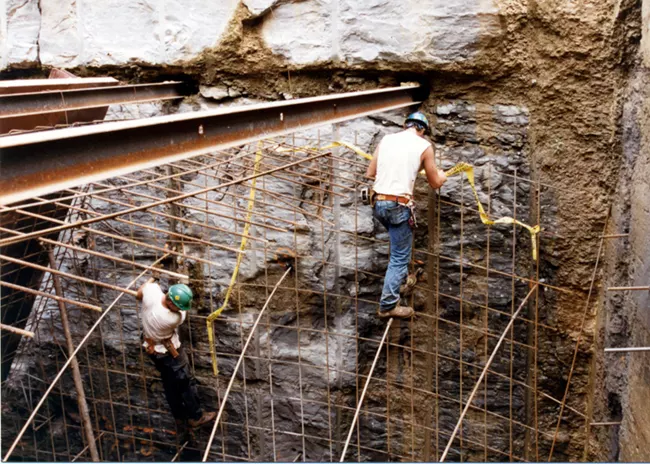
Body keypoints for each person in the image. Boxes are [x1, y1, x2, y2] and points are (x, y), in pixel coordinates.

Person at [365, 111, 447, 318]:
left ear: (406, 126)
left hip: (379, 203)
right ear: (422, 130)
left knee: (398, 248)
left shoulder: (387, 139)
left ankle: (396, 285)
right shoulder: (424, 146)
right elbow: (435, 182)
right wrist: (443, 175)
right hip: (399, 206)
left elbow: (370, 172)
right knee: (399, 257)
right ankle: (388, 306)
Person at [136, 278, 216, 428]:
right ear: (171, 303)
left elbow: (139, 293)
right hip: (167, 352)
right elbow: (183, 313)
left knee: (169, 383)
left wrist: (150, 284)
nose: (181, 309)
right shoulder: (173, 318)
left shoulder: (152, 292)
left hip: (151, 348)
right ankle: (195, 416)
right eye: (179, 307)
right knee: (186, 382)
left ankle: (179, 417)